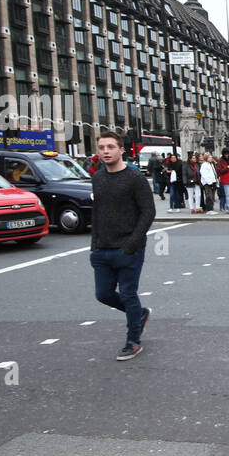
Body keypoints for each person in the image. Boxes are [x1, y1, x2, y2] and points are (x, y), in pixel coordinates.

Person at [90, 131, 155, 360]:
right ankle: (140, 314)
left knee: (128, 294)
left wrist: (132, 243)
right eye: (101, 147)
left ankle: (133, 341)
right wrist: (94, 245)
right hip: (103, 248)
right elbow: (97, 212)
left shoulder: (135, 178)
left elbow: (148, 212)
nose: (105, 151)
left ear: (121, 150)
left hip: (129, 248)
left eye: (110, 147)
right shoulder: (98, 178)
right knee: (103, 294)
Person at [216, 149, 229, 214]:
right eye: (225, 154)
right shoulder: (220, 161)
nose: (226, 155)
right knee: (228, 195)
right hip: (225, 179)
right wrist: (227, 168)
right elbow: (219, 171)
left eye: (227, 154)